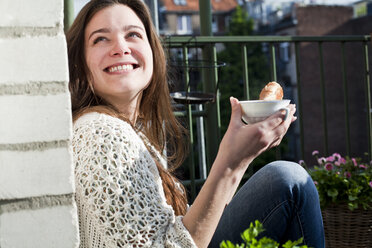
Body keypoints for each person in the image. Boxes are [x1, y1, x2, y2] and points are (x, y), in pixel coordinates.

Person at [66, 0, 325, 247]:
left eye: (133, 35)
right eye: (101, 39)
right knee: (288, 181)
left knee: (283, 181)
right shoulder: (102, 134)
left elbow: (188, 225)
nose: (120, 48)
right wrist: (229, 161)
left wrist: (241, 159)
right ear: (81, 64)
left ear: (153, 53)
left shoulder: (135, 134)